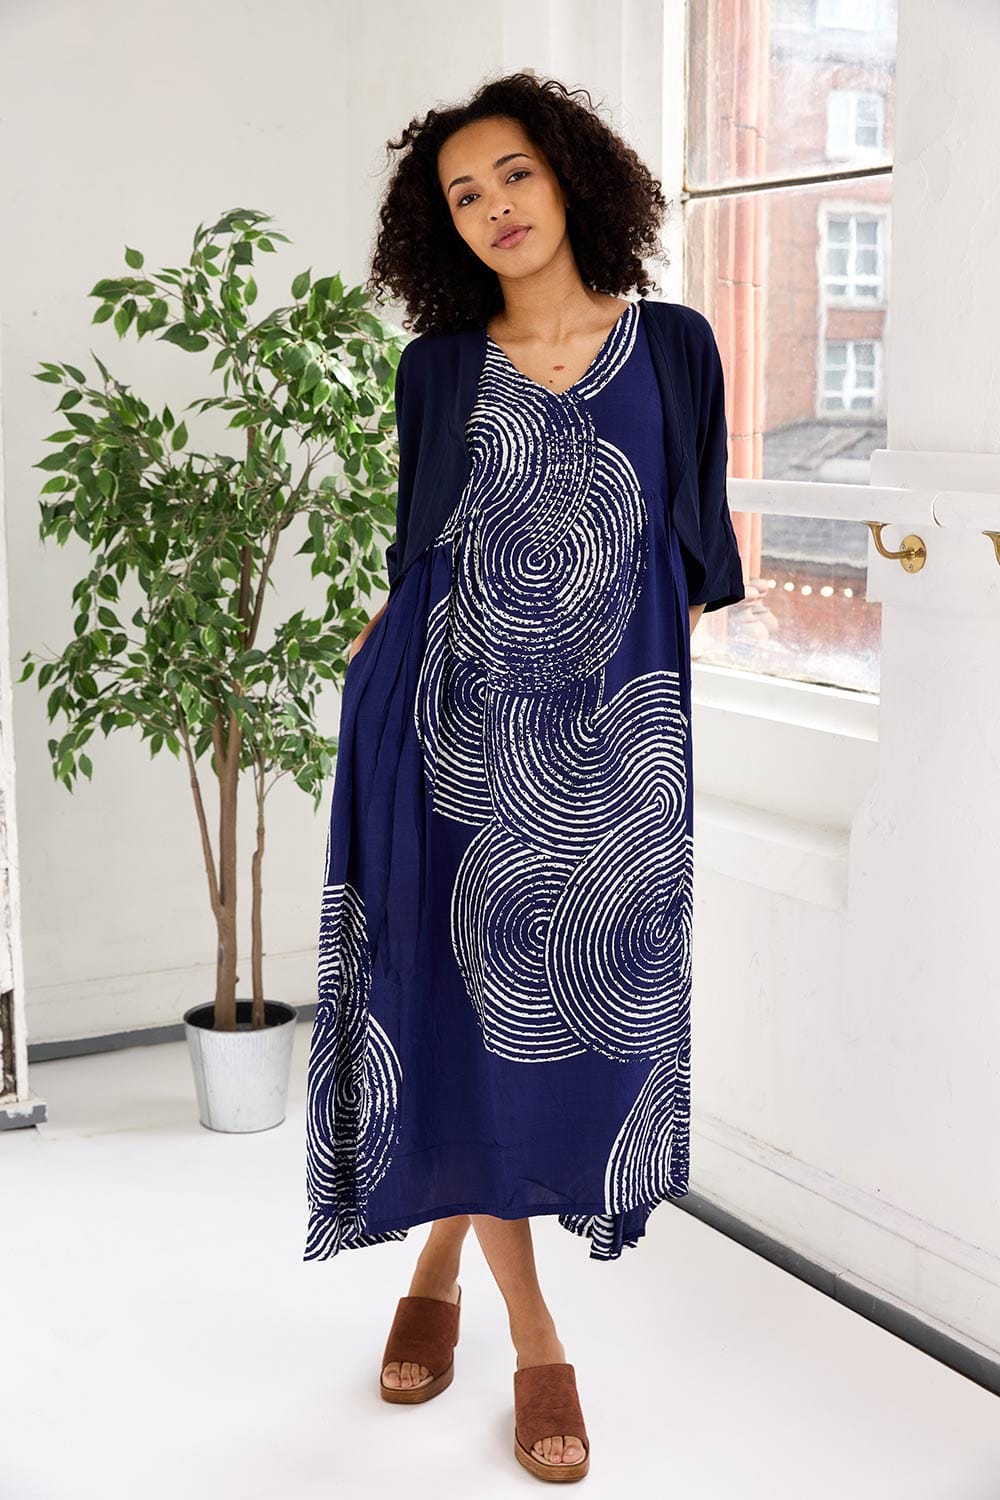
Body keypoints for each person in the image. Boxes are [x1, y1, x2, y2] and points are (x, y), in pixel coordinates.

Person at [303, 71, 745, 1482]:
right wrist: (379, 654)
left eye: (513, 175)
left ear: (569, 177)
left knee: (567, 1038)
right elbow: (418, 554)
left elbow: (689, 578)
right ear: (440, 227)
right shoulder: (436, 369)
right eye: (463, 194)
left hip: (613, 756)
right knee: (449, 1011)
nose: (493, 206)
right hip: (440, 736)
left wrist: (628, 757)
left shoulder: (674, 347)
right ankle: (537, 1337)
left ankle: (435, 1262)